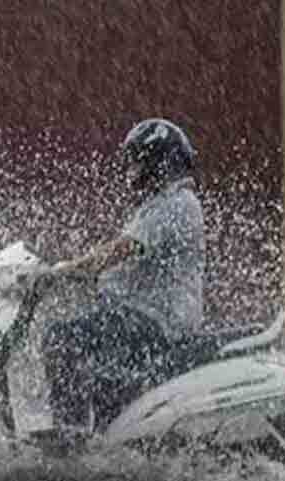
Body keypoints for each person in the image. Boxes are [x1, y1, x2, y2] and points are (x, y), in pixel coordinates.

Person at [40, 118, 205, 432]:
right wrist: (83, 279)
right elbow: (128, 266)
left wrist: (64, 270)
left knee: (61, 338)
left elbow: (121, 251)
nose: (133, 172)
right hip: (145, 316)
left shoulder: (176, 205)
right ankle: (105, 445)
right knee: (106, 377)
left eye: (139, 162)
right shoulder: (160, 204)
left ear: (159, 163)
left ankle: (69, 436)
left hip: (158, 321)